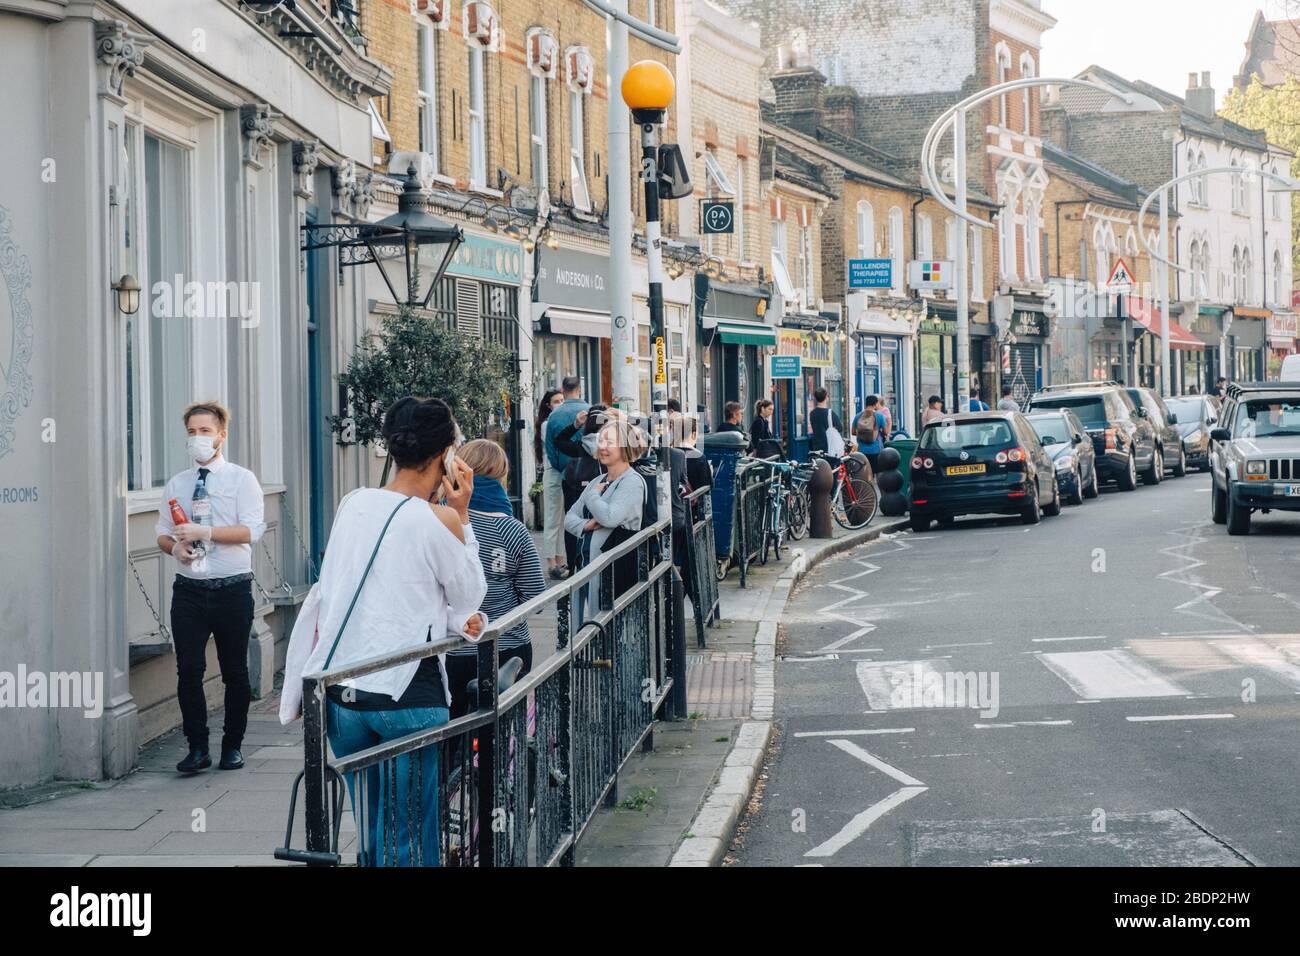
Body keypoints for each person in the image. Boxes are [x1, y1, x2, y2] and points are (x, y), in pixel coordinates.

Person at [289, 396, 487, 866]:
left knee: (374, 831)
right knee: (410, 838)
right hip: (407, 698)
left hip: (343, 694)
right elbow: (469, 596)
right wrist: (463, 516)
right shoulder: (438, 518)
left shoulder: (353, 503)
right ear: (446, 457)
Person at [156, 401, 265, 775]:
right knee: (188, 669)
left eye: (205, 431)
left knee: (235, 670)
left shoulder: (241, 479)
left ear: (222, 434)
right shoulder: (178, 483)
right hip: (189, 590)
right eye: (191, 432)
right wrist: (176, 547)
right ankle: (197, 747)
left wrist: (206, 532)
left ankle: (232, 745)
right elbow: (162, 533)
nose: (198, 438)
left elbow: (252, 530)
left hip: (232, 589)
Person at [445, 440, 546, 720]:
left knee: (452, 728)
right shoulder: (513, 530)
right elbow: (535, 598)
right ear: (502, 476)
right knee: (503, 725)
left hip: (452, 649)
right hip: (506, 646)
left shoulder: (441, 520)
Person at [564, 421, 649, 626]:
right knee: (586, 627)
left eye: (609, 441)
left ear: (625, 446)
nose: (602, 446)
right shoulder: (598, 480)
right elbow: (569, 518)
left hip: (614, 570)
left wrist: (593, 497)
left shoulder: (632, 481)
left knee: (609, 626)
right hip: (586, 564)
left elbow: (610, 517)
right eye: (600, 440)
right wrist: (586, 525)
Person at [545, 377, 590, 570]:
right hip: (591, 472)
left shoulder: (555, 416)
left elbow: (551, 447)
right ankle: (588, 559)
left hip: (567, 475)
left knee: (569, 517)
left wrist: (561, 468)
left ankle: (572, 564)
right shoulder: (591, 411)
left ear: (563, 390)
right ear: (579, 389)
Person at [535, 389, 567, 579]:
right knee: (553, 519)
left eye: (563, 400)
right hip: (553, 472)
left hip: (558, 472)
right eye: (556, 401)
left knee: (561, 519)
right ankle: (551, 562)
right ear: (549, 405)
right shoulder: (548, 424)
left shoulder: (552, 422)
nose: (560, 404)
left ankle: (560, 559)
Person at [854, 394, 889, 472]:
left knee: (865, 473)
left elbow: (853, 432)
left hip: (862, 450)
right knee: (877, 473)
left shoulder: (858, 416)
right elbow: (886, 432)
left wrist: (863, 433)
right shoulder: (880, 416)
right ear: (875, 404)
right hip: (876, 450)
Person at [808, 387, 845, 456]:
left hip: (816, 447)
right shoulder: (830, 413)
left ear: (816, 398)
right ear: (826, 398)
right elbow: (840, 428)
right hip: (829, 447)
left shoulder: (812, 413)